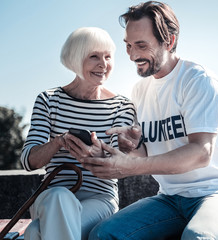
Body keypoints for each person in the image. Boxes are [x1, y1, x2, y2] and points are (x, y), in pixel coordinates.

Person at [84, 1, 218, 239]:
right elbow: (145, 155)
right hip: (170, 199)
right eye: (128, 45)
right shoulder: (140, 91)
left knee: (197, 238)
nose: (132, 55)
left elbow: (201, 153)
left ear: (169, 41)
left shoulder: (198, 81)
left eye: (141, 45)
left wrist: (130, 167)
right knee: (103, 235)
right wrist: (127, 148)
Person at [20, 27, 137, 240]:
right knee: (59, 196)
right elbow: (29, 161)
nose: (104, 64)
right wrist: (58, 142)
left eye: (108, 57)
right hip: (51, 198)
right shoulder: (49, 100)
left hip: (100, 199)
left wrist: (97, 155)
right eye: (94, 56)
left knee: (35, 232)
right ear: (75, 58)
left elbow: (121, 163)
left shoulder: (122, 106)